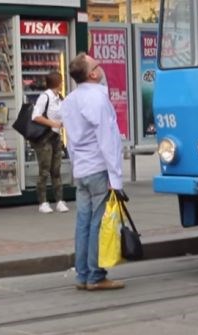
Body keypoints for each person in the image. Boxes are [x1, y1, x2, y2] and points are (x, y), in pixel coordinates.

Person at [60, 53, 126, 291]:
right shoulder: (98, 99)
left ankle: (83, 274)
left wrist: (77, 166)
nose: (101, 67)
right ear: (93, 73)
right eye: (97, 64)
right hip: (99, 168)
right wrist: (115, 177)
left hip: (82, 169)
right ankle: (96, 276)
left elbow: (71, 141)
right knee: (99, 223)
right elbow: (108, 140)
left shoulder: (69, 100)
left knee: (83, 223)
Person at [30, 71, 69, 214]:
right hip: (44, 137)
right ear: (57, 83)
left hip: (56, 137)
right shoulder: (45, 97)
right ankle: (43, 202)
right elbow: (36, 116)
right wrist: (53, 123)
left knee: (56, 169)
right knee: (44, 170)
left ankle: (59, 200)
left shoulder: (59, 98)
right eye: (61, 81)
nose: (62, 83)